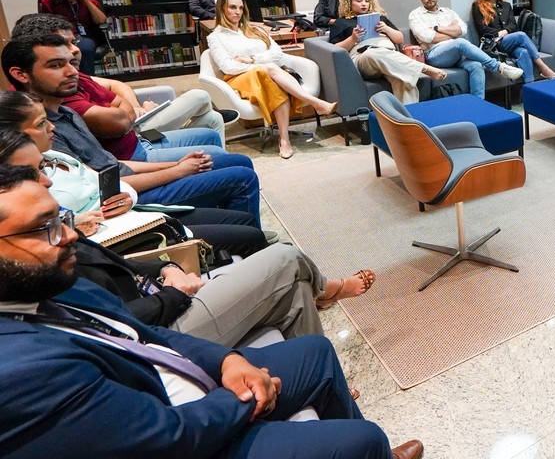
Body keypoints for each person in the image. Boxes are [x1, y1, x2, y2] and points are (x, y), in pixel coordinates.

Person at [0, 165, 425, 459]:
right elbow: (163, 440)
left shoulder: (48, 284)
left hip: (176, 382)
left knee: (315, 351)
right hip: (178, 432)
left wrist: (227, 359)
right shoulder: (20, 370)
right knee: (361, 438)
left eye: (62, 218)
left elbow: (145, 336)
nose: (69, 234)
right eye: (45, 227)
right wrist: (243, 397)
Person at [0, 127, 375, 346]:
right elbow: (110, 323)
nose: (47, 178)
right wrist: (173, 292)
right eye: (32, 172)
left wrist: (163, 268)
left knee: (288, 284)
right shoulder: (38, 256)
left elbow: (112, 186)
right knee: (286, 257)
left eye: (44, 166)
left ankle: (323, 376)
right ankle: (325, 288)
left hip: (146, 266)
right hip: (160, 319)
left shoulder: (49, 222)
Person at [1, 35, 263, 224]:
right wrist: (176, 170)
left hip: (132, 159)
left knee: (227, 151)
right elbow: (101, 183)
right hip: (128, 193)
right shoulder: (39, 133)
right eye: (57, 65)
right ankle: (244, 235)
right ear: (21, 74)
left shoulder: (64, 110)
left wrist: (179, 165)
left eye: (71, 61)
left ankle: (233, 221)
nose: (73, 72)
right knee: (241, 174)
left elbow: (111, 159)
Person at [0, 89, 268, 259]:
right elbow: (70, 227)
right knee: (240, 187)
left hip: (132, 209)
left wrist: (129, 193)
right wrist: (176, 171)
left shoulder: (57, 153)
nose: (51, 127)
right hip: (123, 231)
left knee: (240, 216)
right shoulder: (20, 188)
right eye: (41, 123)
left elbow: (108, 176)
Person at [12, 12, 238, 142]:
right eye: (62, 45)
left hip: (134, 122)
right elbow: (117, 121)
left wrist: (134, 107)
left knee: (212, 120)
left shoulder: (72, 74)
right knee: (198, 95)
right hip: (131, 136)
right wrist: (130, 111)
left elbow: (115, 84)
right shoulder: (56, 91)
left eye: (73, 42)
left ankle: (213, 159)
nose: (74, 50)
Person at [206, 0, 336, 159]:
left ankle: (284, 139)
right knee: (268, 69)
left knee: (270, 76)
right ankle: (315, 104)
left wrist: (252, 59)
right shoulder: (215, 37)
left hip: (270, 74)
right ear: (222, 9)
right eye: (232, 7)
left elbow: (277, 54)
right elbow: (228, 67)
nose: (237, 12)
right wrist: (260, 65)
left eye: (240, 8)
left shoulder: (255, 29)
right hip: (240, 79)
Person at [329, 0, 447, 105]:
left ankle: (408, 119)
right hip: (364, 57)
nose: (364, 4)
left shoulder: (381, 18)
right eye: (359, 1)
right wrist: (353, 38)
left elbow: (400, 39)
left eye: (367, 1)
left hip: (389, 55)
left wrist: (386, 29)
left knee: (402, 79)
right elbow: (334, 49)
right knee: (373, 53)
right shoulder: (342, 22)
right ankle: (422, 68)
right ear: (350, 2)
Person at [407, 0, 524, 97]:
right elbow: (428, 37)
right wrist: (452, 31)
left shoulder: (448, 12)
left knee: (477, 65)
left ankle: (478, 105)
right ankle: (498, 66)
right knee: (460, 43)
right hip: (434, 55)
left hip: (456, 53)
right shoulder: (415, 15)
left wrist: (438, 29)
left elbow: (463, 29)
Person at [470, 0, 555, 82]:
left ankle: (529, 87)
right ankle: (544, 68)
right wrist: (499, 33)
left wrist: (506, 31)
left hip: (509, 43)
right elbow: (482, 29)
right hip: (494, 45)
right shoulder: (477, 6)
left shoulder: (506, 5)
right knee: (521, 35)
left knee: (523, 52)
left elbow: (514, 25)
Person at [37, 0, 106, 74]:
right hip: (60, 37)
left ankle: (87, 80)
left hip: (84, 36)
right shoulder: (49, 1)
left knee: (84, 49)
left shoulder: (90, 1)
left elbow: (101, 20)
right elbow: (46, 23)